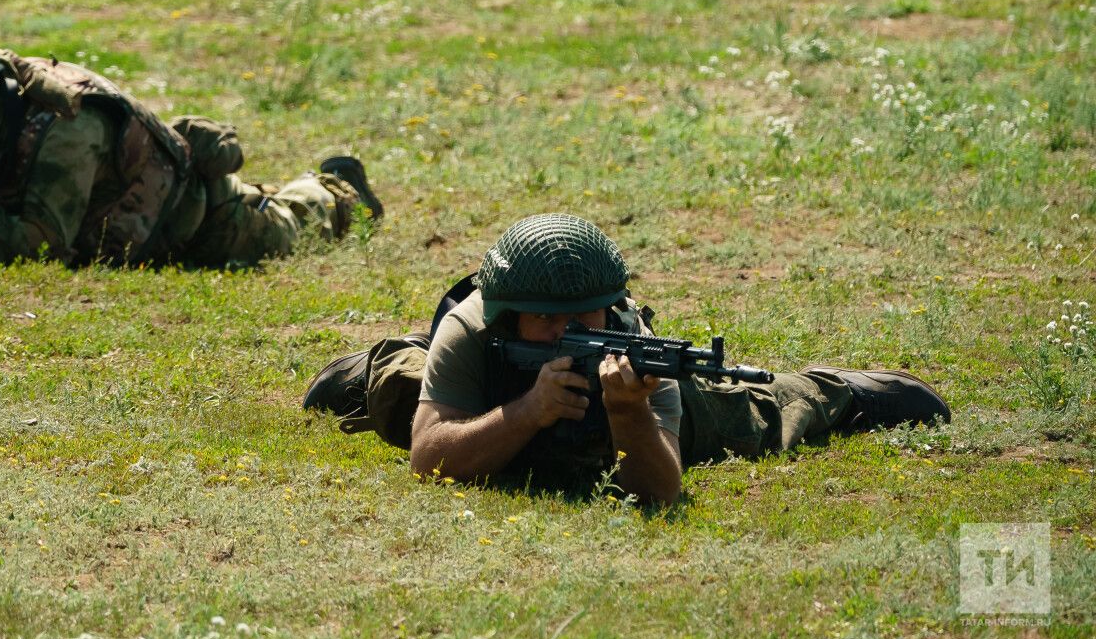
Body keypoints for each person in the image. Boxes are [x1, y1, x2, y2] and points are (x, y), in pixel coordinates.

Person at [303, 213, 950, 504]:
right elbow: (429, 459)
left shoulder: (626, 335)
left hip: (622, 408)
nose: (564, 332)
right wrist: (529, 409)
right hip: (491, 393)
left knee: (742, 410)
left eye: (580, 317)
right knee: (401, 393)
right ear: (509, 316)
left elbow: (661, 491)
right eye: (545, 319)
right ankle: (375, 365)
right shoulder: (475, 327)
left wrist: (628, 413)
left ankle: (843, 392)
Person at [0, 32, 382, 268]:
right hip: (140, 222)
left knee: (289, 222)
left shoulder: (67, 128)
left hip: (206, 225)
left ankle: (337, 186)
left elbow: (45, 247)